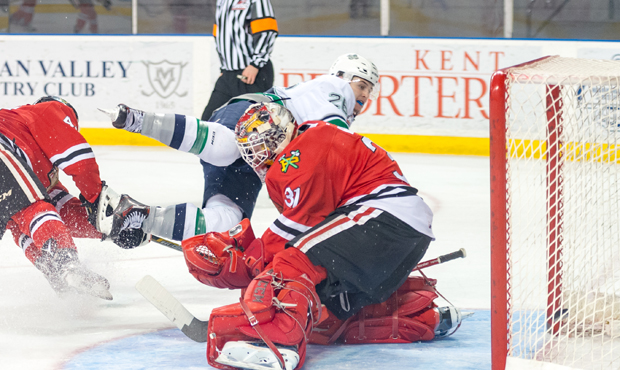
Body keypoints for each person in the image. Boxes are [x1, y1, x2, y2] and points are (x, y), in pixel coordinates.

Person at [180, 102, 461, 370]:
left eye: (261, 145)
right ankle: (417, 316)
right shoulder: (313, 137)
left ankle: (275, 341)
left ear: (280, 133)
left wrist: (245, 261)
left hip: (383, 217)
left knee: (291, 265)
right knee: (331, 311)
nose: (258, 157)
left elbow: (298, 225)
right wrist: (252, 260)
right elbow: (307, 224)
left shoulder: (299, 154)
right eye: (252, 150)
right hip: (400, 229)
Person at [100, 53, 380, 243]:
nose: (366, 95)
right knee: (226, 145)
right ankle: (139, 121)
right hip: (252, 115)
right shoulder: (335, 89)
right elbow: (337, 147)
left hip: (259, 161)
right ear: (343, 77)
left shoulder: (339, 111)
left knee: (227, 224)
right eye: (362, 85)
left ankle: (143, 219)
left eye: (371, 90)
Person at [0, 96, 145, 300]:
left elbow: (58, 213)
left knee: (22, 216)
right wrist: (96, 198)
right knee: (35, 207)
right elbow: (80, 161)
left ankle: (60, 269)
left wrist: (112, 228)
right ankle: (68, 264)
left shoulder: (27, 173)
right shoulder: (48, 109)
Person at [201, 0, 278, 122]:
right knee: (208, 120)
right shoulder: (222, 1)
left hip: (252, 73)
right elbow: (220, 34)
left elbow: (266, 32)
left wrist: (255, 64)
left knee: (259, 125)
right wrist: (224, 67)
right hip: (228, 74)